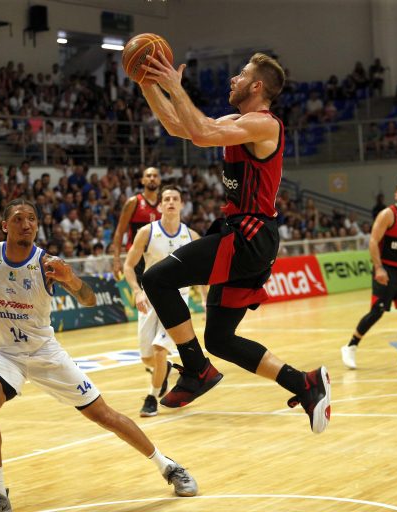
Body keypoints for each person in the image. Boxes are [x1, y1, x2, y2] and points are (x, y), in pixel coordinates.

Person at [0, 198, 198, 512]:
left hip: (45, 353)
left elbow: (89, 299)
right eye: (19, 219)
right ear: (4, 226)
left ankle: (168, 466)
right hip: (5, 354)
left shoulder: (48, 263)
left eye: (32, 219)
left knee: (104, 415)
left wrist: (70, 279)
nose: (27, 224)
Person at [139, 52, 330, 433]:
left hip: (248, 236)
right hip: (248, 237)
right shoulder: (239, 123)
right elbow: (180, 127)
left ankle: (196, 369)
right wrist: (148, 86)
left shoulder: (264, 124)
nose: (233, 79)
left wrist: (174, 86)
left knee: (156, 279)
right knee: (220, 339)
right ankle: (304, 384)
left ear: (256, 86)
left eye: (241, 74)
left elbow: (201, 133)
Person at [123, 185, 205, 417]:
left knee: (160, 350)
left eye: (175, 199)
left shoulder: (192, 236)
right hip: (151, 298)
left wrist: (206, 300)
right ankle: (165, 370)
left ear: (181, 205)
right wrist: (137, 291)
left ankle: (151, 397)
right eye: (166, 199)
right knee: (147, 357)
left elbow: (202, 272)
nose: (170, 202)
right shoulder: (146, 232)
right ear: (159, 206)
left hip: (178, 299)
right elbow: (128, 266)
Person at [341, 182, 397, 369]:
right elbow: (373, 241)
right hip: (387, 270)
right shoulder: (388, 214)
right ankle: (350, 346)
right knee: (377, 311)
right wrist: (378, 268)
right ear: (396, 195)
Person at [111, 166, 160, 277]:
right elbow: (119, 231)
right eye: (148, 176)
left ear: (159, 180)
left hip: (158, 258)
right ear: (142, 180)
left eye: (155, 176)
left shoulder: (164, 203)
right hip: (136, 258)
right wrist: (116, 259)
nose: (152, 178)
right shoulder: (134, 202)